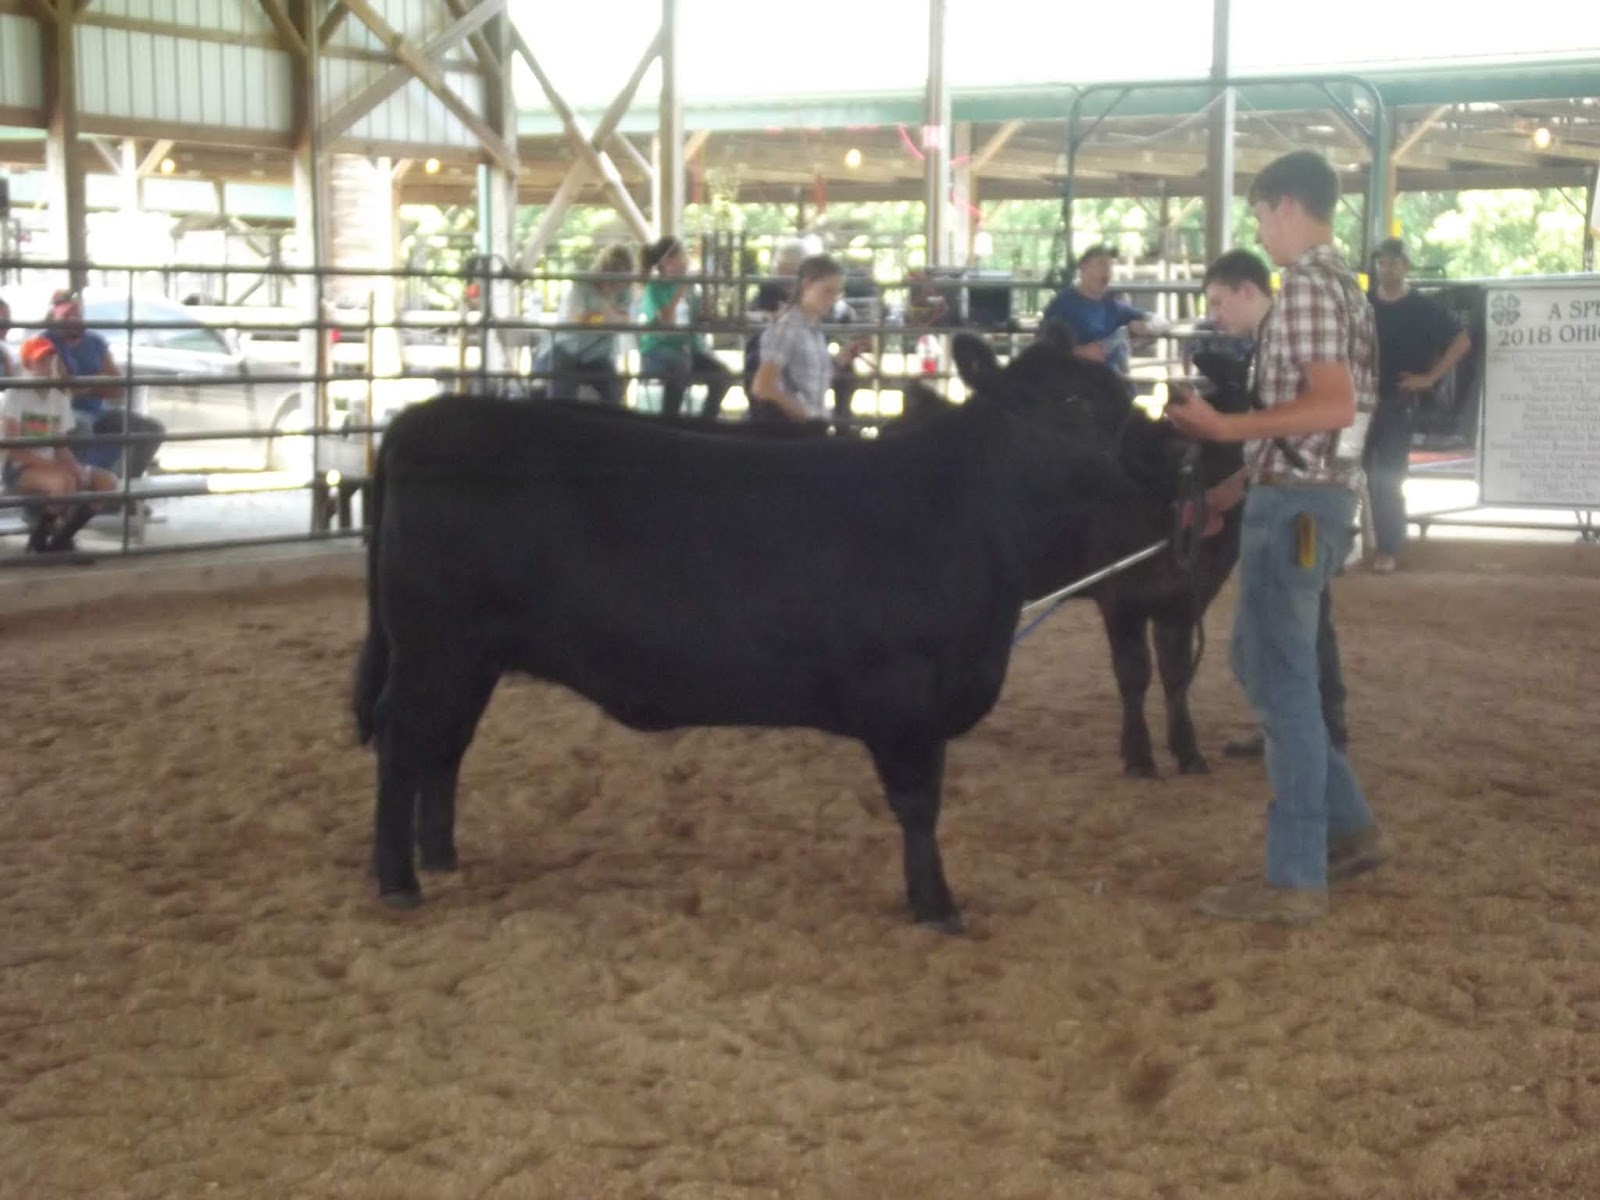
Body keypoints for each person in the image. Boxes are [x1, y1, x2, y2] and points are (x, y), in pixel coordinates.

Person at [1166, 150, 1389, 925]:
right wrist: (1238, 479)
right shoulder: (1345, 292)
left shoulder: (1305, 293)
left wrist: (1226, 427)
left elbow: (1329, 405)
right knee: (1266, 665)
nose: (1261, 230)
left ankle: (1296, 874)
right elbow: (1333, 413)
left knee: (1281, 678)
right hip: (1305, 497)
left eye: (1261, 214)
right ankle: (1350, 829)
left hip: (1296, 506)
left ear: (1287, 205)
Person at [1193, 251, 1351, 763]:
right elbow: (1281, 439)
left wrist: (1222, 434)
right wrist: (1233, 491)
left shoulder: (1287, 341)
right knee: (1291, 622)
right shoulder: (1268, 345)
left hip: (1301, 502)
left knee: (1292, 624)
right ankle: (1301, 728)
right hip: (1288, 495)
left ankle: (1314, 732)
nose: (1215, 313)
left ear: (1246, 290)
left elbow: (1310, 429)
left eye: (1219, 301)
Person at [1366, 237, 1472, 574]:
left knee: (1388, 476)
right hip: (1361, 400)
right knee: (1356, 473)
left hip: (1399, 400)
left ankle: (1388, 548)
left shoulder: (1421, 307)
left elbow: (1463, 340)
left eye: (1394, 262)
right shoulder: (1364, 304)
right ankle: (1360, 541)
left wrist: (1429, 378)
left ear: (1406, 266)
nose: (1388, 267)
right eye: (1383, 262)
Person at [4, 319, 120, 554]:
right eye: (41, 360)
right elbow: (12, 448)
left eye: (50, 358)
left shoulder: (58, 397)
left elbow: (60, 444)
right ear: (28, 365)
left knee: (106, 482)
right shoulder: (15, 394)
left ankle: (61, 539)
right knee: (63, 482)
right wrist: (56, 466)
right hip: (18, 467)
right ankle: (39, 541)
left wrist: (71, 465)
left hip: (49, 464)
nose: (47, 364)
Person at [30, 290, 164, 483]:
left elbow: (118, 387)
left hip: (97, 412)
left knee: (150, 429)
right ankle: (82, 489)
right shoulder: (42, 343)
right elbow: (55, 390)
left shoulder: (95, 341)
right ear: (54, 316)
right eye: (67, 315)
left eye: (78, 314)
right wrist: (94, 381)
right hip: (60, 414)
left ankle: (122, 486)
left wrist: (85, 385)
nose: (75, 319)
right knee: (80, 428)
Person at [744, 240, 868, 427]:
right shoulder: (788, 328)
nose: (833, 299)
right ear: (806, 285)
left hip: (809, 426)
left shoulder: (812, 328)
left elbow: (810, 375)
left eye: (837, 292)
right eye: (827, 291)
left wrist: (842, 359)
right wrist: (804, 416)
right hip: (796, 431)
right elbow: (762, 386)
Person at [637, 237, 733, 420]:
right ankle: (669, 422)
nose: (686, 260)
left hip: (687, 348)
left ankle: (705, 422)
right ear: (668, 262)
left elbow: (701, 317)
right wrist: (681, 288)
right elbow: (666, 319)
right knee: (680, 367)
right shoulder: (654, 288)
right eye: (682, 256)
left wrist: (708, 292)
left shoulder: (689, 287)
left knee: (722, 375)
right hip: (659, 350)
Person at [1042, 244, 1169, 375]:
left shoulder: (1114, 306)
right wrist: (1079, 352)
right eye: (1100, 263)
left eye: (1110, 264)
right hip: (1074, 380)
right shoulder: (1063, 303)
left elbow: (1159, 321)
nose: (1107, 269)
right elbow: (1043, 347)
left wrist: (1147, 327)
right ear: (1083, 268)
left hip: (1108, 383)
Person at [545, 242, 637, 407]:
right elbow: (577, 318)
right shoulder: (581, 284)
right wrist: (605, 317)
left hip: (599, 354)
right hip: (569, 349)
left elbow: (627, 318)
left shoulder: (626, 289)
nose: (620, 285)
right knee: (561, 396)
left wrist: (602, 316)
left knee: (614, 394)